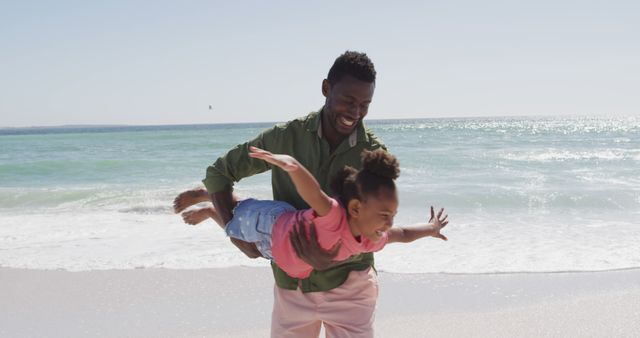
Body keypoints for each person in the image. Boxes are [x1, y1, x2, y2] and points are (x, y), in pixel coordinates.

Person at [174, 51, 441, 337]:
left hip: (351, 290)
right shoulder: (286, 137)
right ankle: (217, 209)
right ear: (326, 88)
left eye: (365, 105)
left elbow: (378, 226)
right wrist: (233, 230)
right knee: (252, 226)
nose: (355, 112)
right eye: (348, 101)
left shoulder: (374, 157)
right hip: (292, 287)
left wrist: (428, 229)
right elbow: (219, 173)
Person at [177, 146, 448, 279]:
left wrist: (432, 228)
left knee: (249, 250)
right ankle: (210, 200)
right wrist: (292, 166)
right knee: (234, 227)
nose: (390, 223)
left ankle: (212, 204)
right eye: (384, 214)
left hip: (276, 249)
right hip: (272, 225)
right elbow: (313, 193)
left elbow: (403, 234)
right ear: (355, 208)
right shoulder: (334, 215)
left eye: (393, 214)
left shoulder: (371, 238)